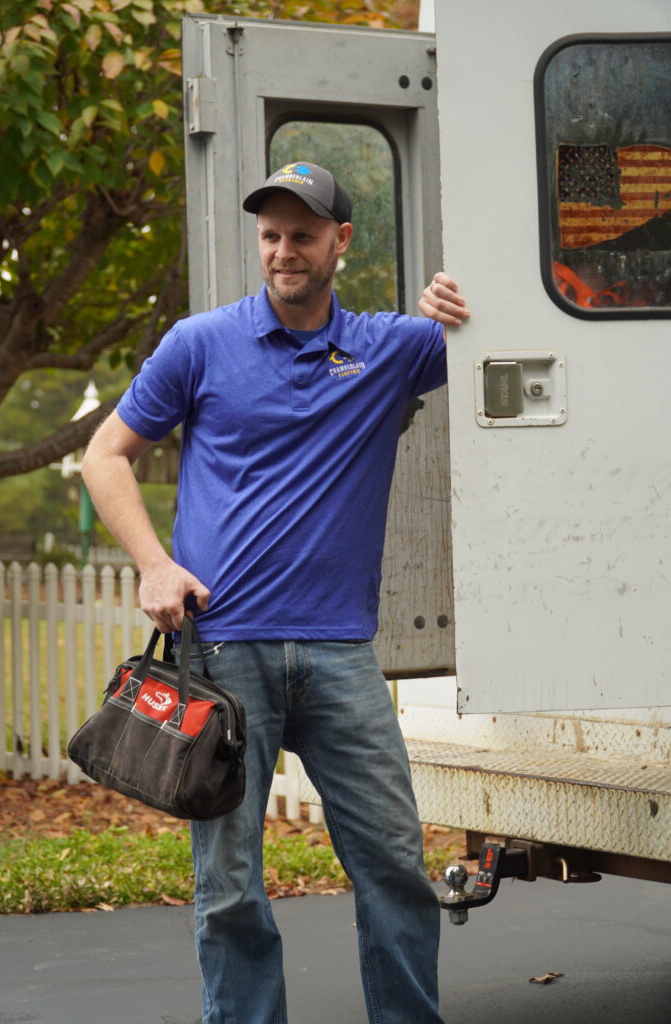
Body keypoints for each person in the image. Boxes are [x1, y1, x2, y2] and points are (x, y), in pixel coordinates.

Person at [82, 160, 470, 1024]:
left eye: (302, 234)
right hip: (221, 654)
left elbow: (511, 321)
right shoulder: (199, 343)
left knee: (395, 868)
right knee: (227, 887)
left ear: (340, 243)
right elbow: (105, 456)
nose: (283, 251)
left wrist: (456, 298)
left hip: (339, 656)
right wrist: (154, 563)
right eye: (270, 236)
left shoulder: (390, 349)